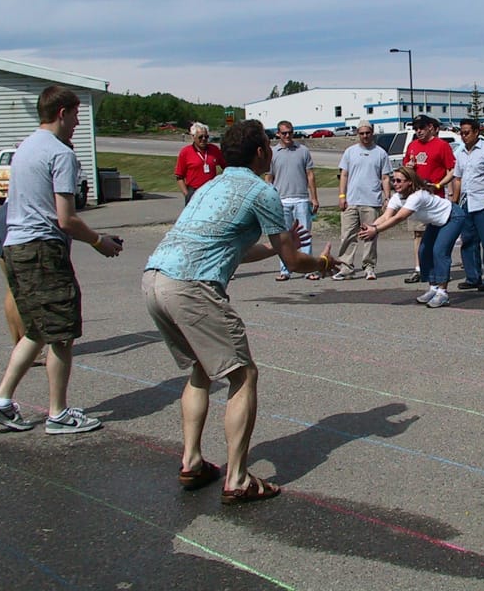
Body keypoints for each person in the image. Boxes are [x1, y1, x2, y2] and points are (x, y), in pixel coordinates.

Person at [143, 120, 340, 504]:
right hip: (191, 286)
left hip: (155, 279)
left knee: (202, 369)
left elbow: (230, 248)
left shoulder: (209, 187)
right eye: (267, 144)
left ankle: (193, 461)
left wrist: (274, 250)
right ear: (261, 152)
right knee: (243, 374)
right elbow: (295, 261)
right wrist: (320, 263)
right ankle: (237, 479)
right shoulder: (261, 190)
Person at [0, 85, 123, 434]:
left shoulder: (26, 148)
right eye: (75, 115)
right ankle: (58, 413)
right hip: (43, 249)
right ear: (63, 113)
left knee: (36, 330)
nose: (77, 123)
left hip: (15, 246)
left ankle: (1, 401)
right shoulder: (60, 154)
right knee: (61, 334)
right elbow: (66, 218)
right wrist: (98, 241)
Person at [359, 166, 465, 308]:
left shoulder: (418, 196)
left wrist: (376, 230)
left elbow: (399, 217)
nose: (395, 184)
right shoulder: (397, 197)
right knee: (423, 251)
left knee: (439, 251)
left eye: (399, 181)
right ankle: (433, 288)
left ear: (409, 182)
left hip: (453, 216)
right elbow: (386, 216)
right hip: (436, 221)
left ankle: (443, 292)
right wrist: (371, 227)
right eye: (393, 180)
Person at [333, 119, 391, 280]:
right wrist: (342, 196)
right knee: (347, 235)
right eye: (362, 133)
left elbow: (385, 177)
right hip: (351, 201)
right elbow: (344, 175)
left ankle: (369, 267)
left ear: (372, 133)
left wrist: (387, 198)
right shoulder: (350, 152)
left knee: (370, 235)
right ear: (358, 134)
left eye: (368, 133)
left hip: (371, 201)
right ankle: (346, 267)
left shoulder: (380, 153)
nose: (365, 136)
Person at [402, 114, 455, 283]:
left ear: (430, 127)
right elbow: (404, 170)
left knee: (436, 235)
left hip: (434, 197)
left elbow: (452, 170)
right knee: (418, 234)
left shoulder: (442, 146)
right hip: (416, 197)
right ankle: (419, 268)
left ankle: (438, 269)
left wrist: (439, 185)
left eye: (421, 128)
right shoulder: (412, 146)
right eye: (416, 129)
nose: (418, 132)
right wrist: (408, 168)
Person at [266, 120, 319, 281]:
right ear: (278, 134)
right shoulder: (273, 153)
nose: (288, 136)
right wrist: (269, 199)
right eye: (284, 133)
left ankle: (309, 269)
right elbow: (269, 177)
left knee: (305, 235)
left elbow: (310, 175)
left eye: (290, 132)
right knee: (283, 237)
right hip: (281, 201)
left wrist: (314, 198)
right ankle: (285, 269)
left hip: (301, 199)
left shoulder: (303, 151)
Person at [453, 118, 484, 291]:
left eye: (466, 133)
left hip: (482, 202)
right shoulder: (460, 153)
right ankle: (472, 277)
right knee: (468, 241)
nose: (463, 136)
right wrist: (455, 203)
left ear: (476, 132)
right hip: (466, 203)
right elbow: (457, 179)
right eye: (461, 133)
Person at [0, 201, 24, 346]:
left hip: (5, 213)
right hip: (17, 215)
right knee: (23, 290)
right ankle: (29, 347)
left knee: (13, 288)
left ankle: (20, 343)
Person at [175, 122, 226, 204]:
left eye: (206, 137)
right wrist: (187, 194)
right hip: (194, 191)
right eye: (200, 137)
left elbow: (226, 167)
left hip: (211, 191)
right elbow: (179, 177)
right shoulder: (185, 152)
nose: (203, 139)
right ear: (193, 136)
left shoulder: (214, 150)